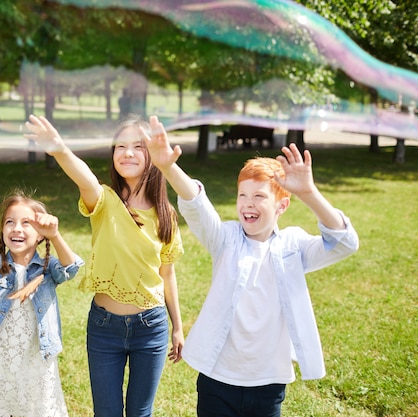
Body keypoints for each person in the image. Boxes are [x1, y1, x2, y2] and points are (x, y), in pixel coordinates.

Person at [142, 116, 359, 417]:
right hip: (218, 379)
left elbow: (344, 243)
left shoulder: (293, 246)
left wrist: (309, 193)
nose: (247, 204)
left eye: (259, 196)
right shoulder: (226, 239)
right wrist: (168, 167)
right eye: (242, 195)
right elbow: (196, 204)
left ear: (282, 206)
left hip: (268, 382)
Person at [24, 114, 185, 417]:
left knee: (140, 413)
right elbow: (83, 176)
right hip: (104, 328)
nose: (127, 153)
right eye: (120, 146)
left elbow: (167, 273)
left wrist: (178, 327)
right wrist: (59, 148)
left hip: (151, 328)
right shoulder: (104, 200)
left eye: (138, 146)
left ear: (153, 155)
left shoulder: (166, 215)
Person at [0, 168, 84, 417]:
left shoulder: (47, 269)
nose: (16, 229)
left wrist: (56, 234)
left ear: (40, 234)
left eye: (26, 223)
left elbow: (71, 267)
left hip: (36, 362)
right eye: (10, 222)